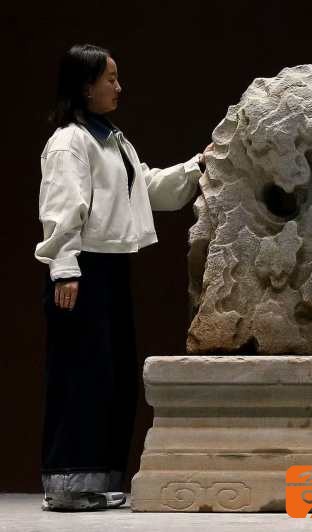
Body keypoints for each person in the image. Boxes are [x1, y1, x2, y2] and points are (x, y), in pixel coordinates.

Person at [35, 43, 210, 511]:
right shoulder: (70, 142)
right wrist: (64, 270)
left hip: (109, 269)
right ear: (85, 86)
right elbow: (61, 209)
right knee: (80, 375)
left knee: (111, 376)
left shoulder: (111, 138)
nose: (118, 86)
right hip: (81, 270)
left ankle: (95, 481)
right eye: (110, 78)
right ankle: (68, 485)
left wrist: (197, 166)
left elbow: (146, 189)